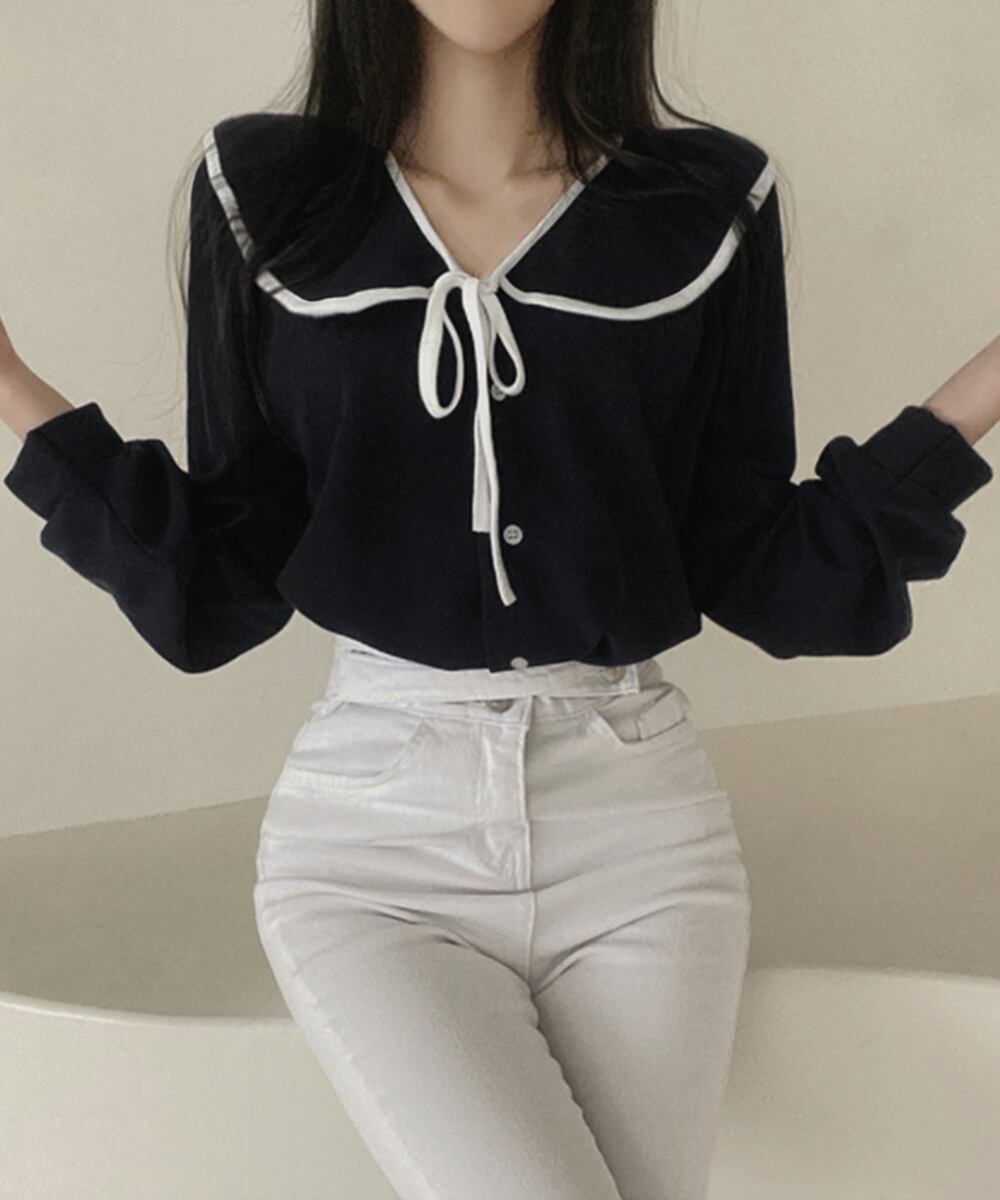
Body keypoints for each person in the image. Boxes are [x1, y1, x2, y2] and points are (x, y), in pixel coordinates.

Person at [1, 2, 996, 1198]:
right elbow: (221, 576)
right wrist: (12, 387)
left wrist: (980, 390)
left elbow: (767, 569)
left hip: (641, 836)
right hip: (375, 838)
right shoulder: (262, 194)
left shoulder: (707, 205)